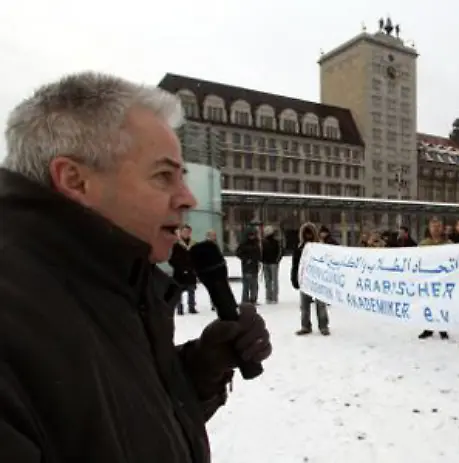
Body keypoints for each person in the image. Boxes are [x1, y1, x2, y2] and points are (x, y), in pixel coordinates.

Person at [0, 71, 272, 462]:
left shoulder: (119, 278)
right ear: (75, 180)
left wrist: (198, 368)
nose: (188, 198)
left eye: (184, 177)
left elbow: (105, 422)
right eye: (164, 176)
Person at [417, 217, 453, 340]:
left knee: (442, 304)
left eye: (438, 227)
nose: (436, 229)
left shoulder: (449, 244)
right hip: (429, 278)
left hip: (444, 279)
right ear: (429, 228)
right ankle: (428, 328)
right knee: (429, 303)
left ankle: (443, 328)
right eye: (434, 226)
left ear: (442, 228)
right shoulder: (423, 244)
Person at [291, 223, 330, 336]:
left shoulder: (320, 247)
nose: (308, 235)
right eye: (306, 233)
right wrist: (294, 279)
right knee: (304, 305)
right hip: (304, 280)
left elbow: (326, 263)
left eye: (310, 233)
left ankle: (323, 326)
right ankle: (305, 326)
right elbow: (295, 265)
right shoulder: (299, 248)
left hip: (318, 280)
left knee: (320, 304)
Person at [169, 224, 198, 315]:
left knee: (191, 290)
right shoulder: (176, 245)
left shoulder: (194, 244)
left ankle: (191, 307)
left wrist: (194, 268)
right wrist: (180, 268)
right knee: (179, 291)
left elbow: (197, 258)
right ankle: (179, 308)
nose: (186, 233)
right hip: (179, 272)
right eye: (184, 231)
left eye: (188, 232)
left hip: (191, 272)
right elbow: (171, 259)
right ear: (181, 232)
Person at [236, 229, 261, 305]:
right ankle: (245, 300)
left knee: (254, 284)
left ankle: (253, 299)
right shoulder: (243, 244)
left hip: (255, 266)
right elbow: (238, 253)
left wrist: (258, 260)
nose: (252, 237)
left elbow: (258, 253)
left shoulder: (256, 243)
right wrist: (246, 259)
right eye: (251, 235)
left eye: (253, 235)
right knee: (246, 284)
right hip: (246, 266)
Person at [261, 225, 283, 304]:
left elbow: (280, 252)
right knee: (268, 281)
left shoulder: (276, 241)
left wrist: (277, 260)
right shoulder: (263, 242)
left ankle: (274, 297)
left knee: (274, 281)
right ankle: (268, 297)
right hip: (266, 263)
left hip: (273, 263)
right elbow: (262, 252)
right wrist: (262, 260)